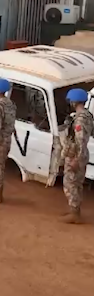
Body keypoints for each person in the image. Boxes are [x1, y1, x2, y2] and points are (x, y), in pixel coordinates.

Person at [60, 88, 94, 224]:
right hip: (81, 154)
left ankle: (75, 213)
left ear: (74, 101)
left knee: (71, 184)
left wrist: (75, 159)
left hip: (76, 154)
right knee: (77, 184)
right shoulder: (87, 116)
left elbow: (80, 140)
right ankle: (74, 210)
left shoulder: (80, 119)